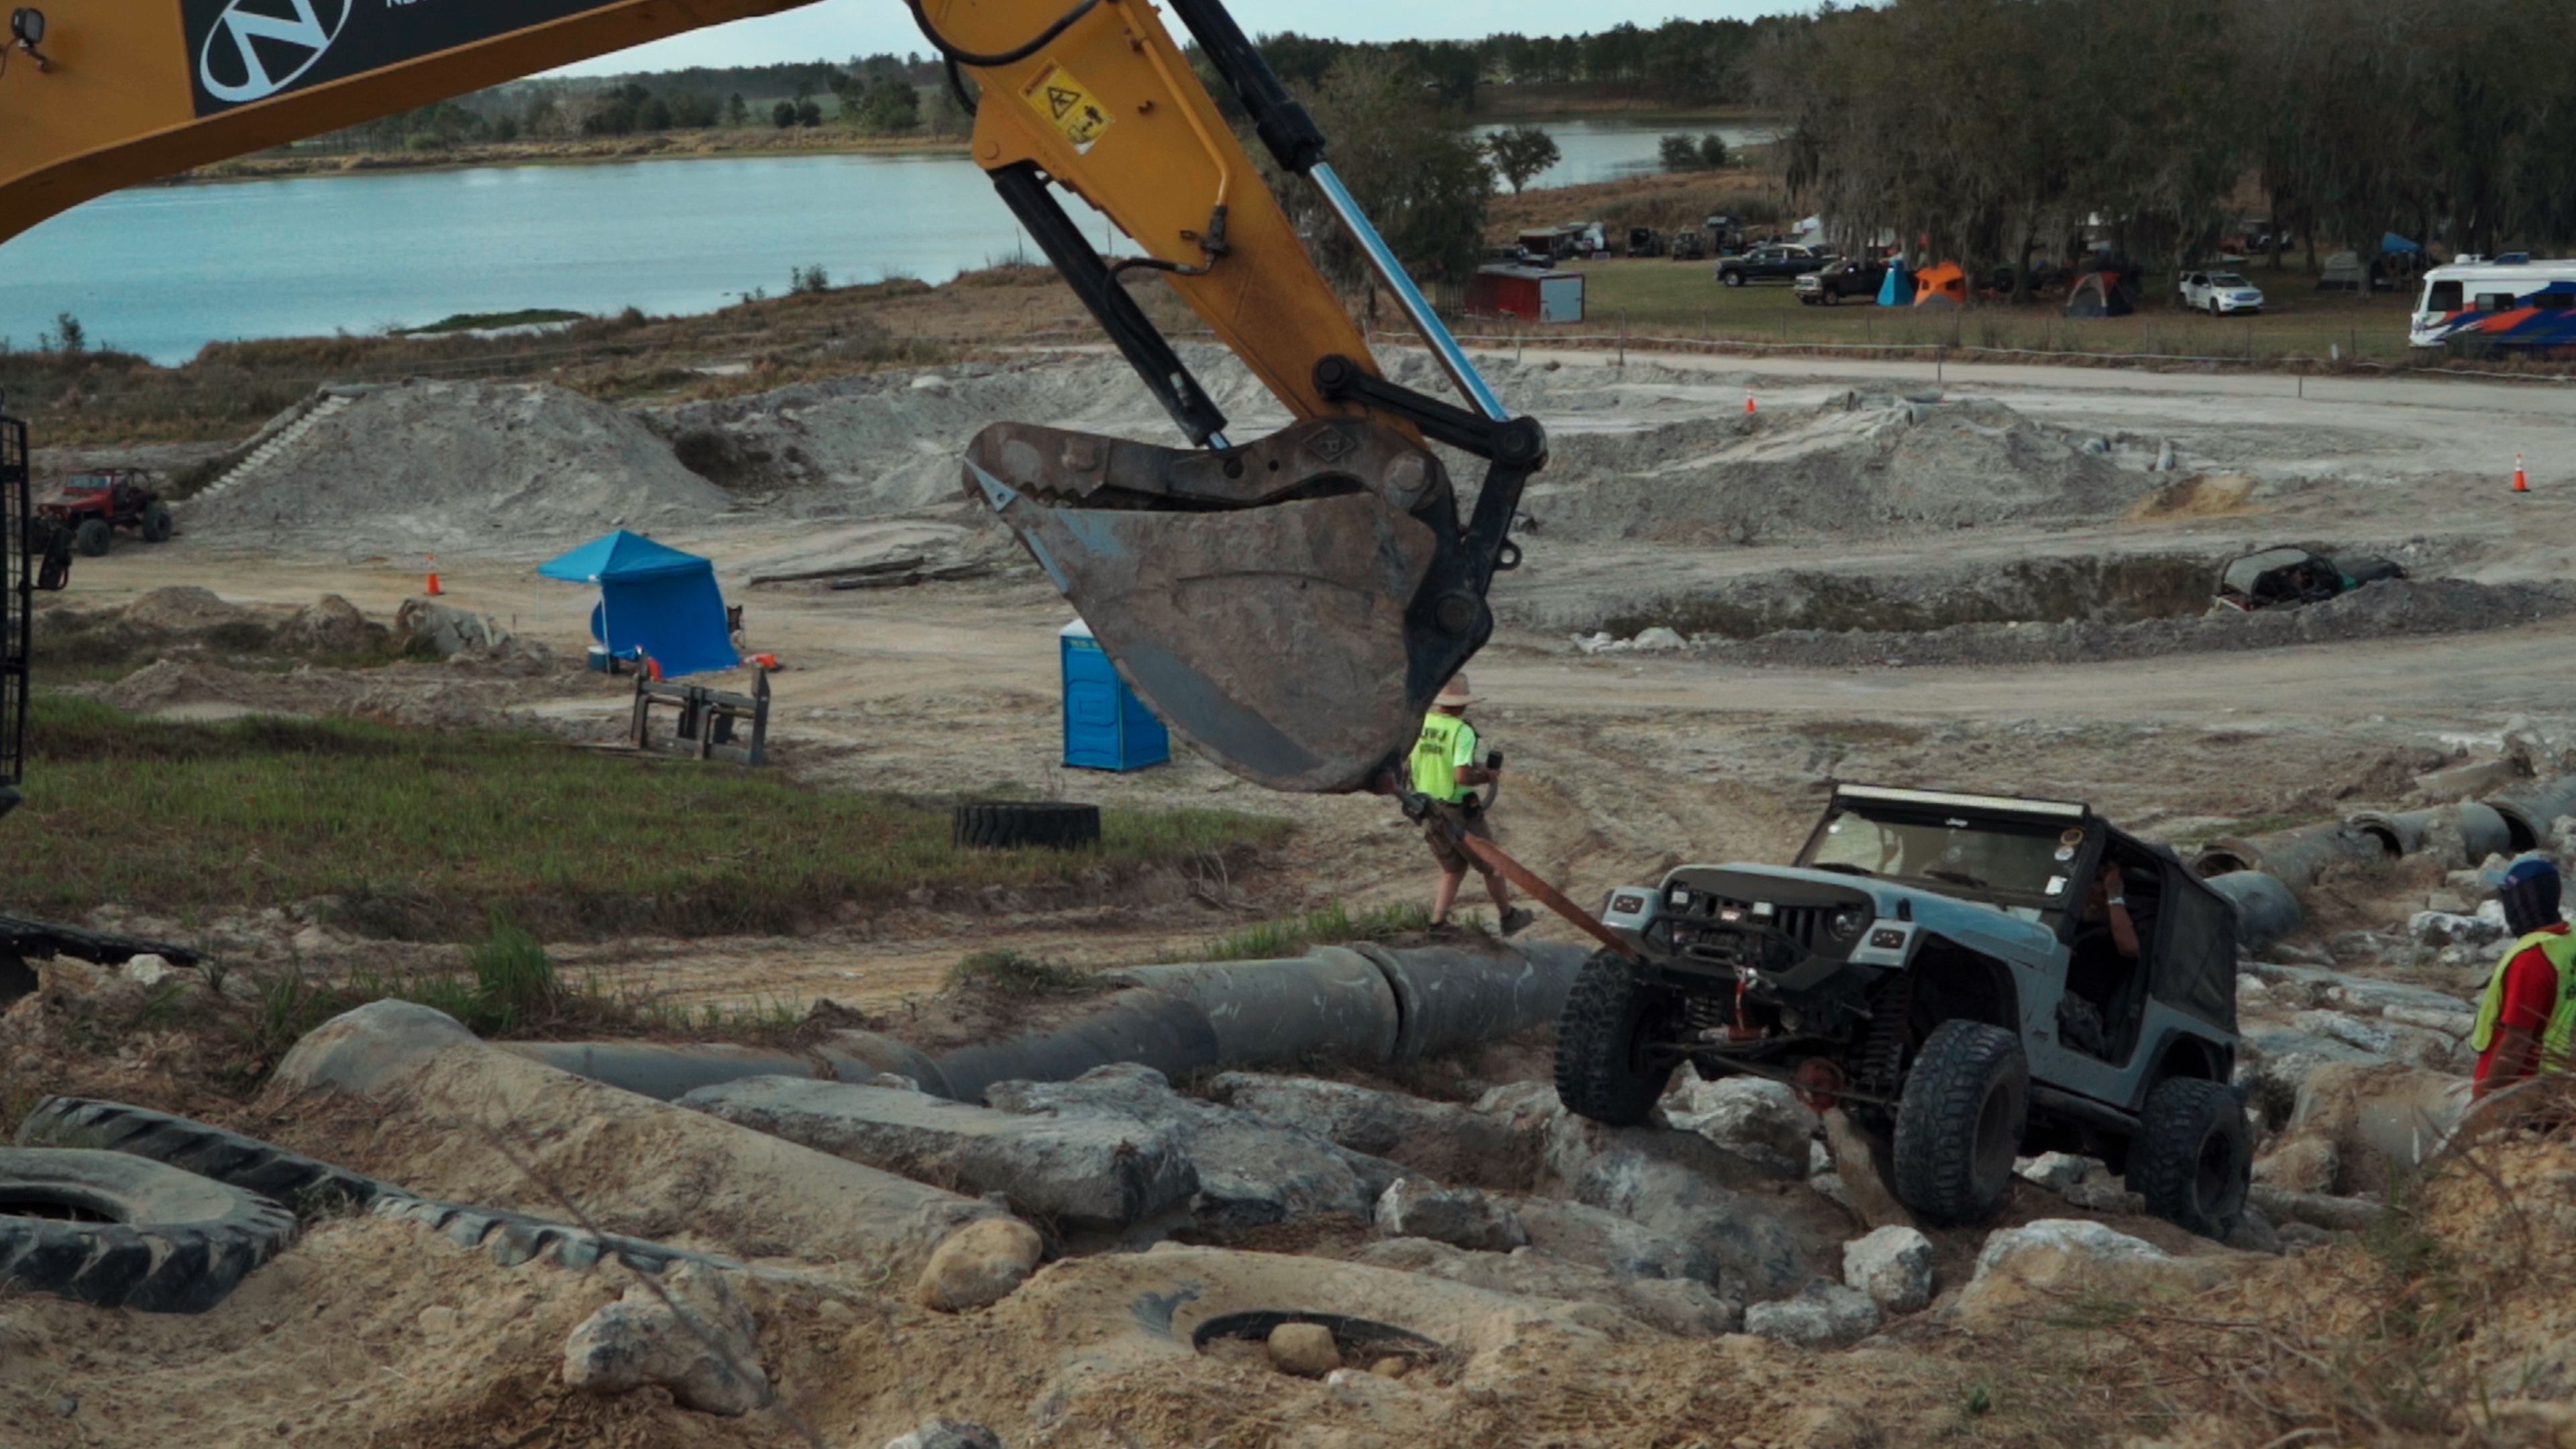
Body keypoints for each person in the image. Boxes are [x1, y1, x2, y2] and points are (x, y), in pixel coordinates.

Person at [1409, 673, 1534, 935]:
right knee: (1494, 865)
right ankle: (1508, 917)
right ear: (1464, 703)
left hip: (1428, 807)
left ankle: (1437, 922)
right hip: (1458, 811)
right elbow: (1462, 776)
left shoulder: (1421, 724)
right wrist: (1485, 776)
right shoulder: (1462, 732)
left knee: (1453, 869)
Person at [2471, 857, 2576, 1097]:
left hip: (2522, 1091)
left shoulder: (2530, 960)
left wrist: (2483, 1099)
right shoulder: (2569, 939)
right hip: (2559, 1079)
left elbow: (2517, 1043)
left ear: (2519, 904)